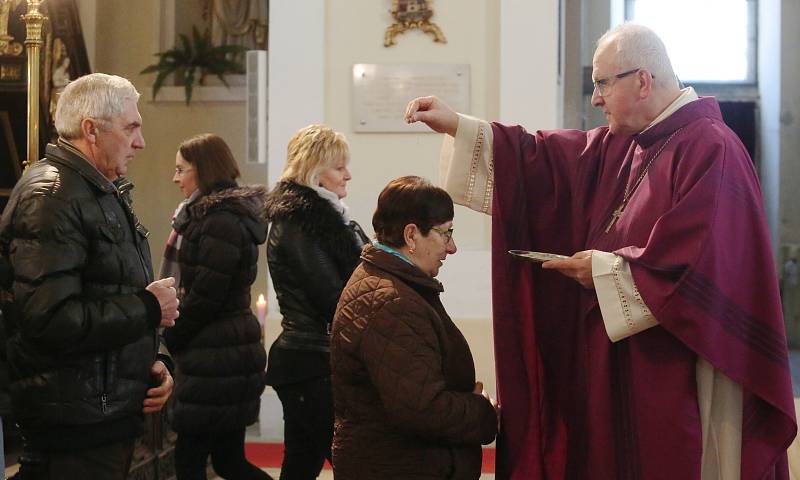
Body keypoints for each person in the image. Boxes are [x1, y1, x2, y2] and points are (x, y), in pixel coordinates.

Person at [405, 23, 797, 480]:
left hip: (676, 369)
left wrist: (607, 269)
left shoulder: (709, 147)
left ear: (643, 80)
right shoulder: (629, 143)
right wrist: (459, 125)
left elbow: (702, 263)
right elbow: (545, 160)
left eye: (602, 83)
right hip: (624, 364)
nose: (595, 99)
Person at [0, 73, 179, 480]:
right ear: (91, 130)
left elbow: (107, 290)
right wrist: (149, 307)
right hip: (73, 422)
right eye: (131, 127)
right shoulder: (52, 197)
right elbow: (50, 318)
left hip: (98, 412)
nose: (141, 142)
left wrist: (151, 362)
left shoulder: (96, 190)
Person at [330, 176, 498, 480]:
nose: (452, 247)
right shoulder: (391, 302)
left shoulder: (390, 283)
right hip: (398, 465)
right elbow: (422, 409)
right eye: (445, 233)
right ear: (411, 235)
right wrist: (481, 411)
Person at [263, 125, 369, 479]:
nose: (348, 175)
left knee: (302, 461)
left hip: (313, 358)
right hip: (311, 360)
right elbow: (333, 298)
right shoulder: (298, 222)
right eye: (340, 167)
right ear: (314, 169)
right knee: (353, 461)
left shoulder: (328, 219)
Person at [162, 134, 270, 480]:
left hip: (215, 355)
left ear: (204, 170)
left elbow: (207, 296)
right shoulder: (212, 215)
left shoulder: (218, 220)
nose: (175, 178)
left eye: (181, 170)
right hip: (225, 350)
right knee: (227, 461)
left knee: (192, 461)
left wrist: (172, 336)